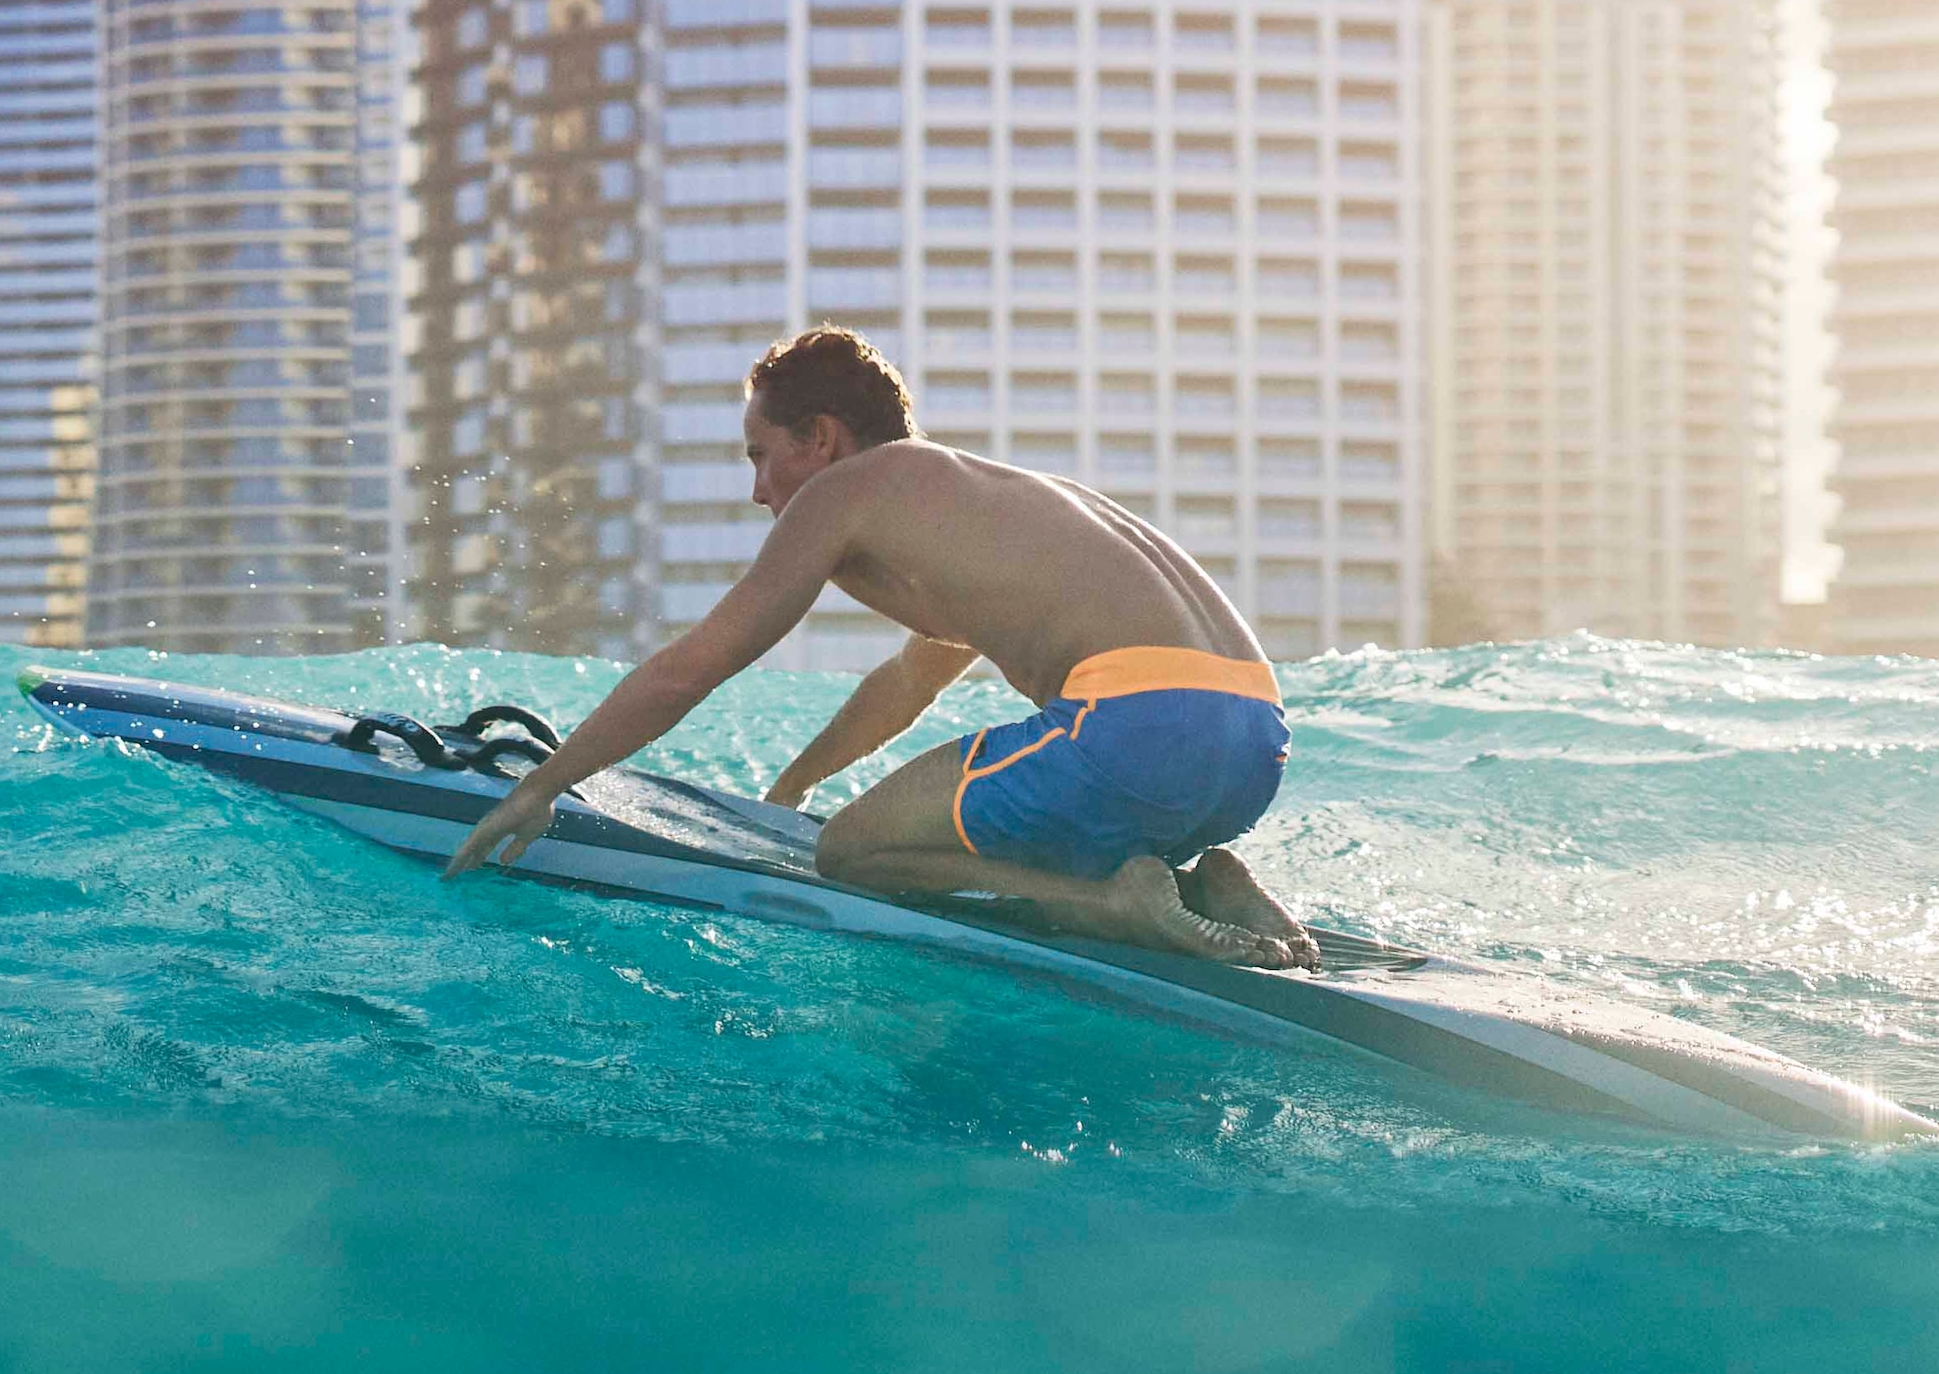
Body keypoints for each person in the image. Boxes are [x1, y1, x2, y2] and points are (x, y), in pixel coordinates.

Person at [444, 326, 1312, 966]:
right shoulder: (980, 501)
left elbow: (694, 665)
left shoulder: (848, 490)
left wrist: (543, 786)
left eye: (760, 456)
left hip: (1138, 730)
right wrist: (793, 786)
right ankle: (1201, 885)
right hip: (1252, 747)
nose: (758, 491)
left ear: (820, 438)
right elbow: (909, 681)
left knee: (851, 852)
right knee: (1024, 807)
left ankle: (1111, 904)